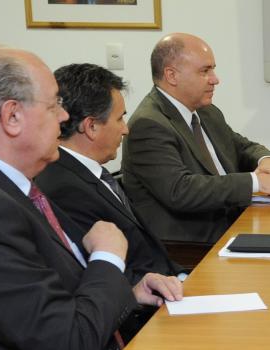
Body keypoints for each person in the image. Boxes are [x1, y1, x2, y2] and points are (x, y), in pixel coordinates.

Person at [0, 43, 182, 350]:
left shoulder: (6, 183)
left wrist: (130, 289)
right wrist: (110, 259)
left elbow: (54, 293)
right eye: (52, 105)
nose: (65, 117)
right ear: (11, 116)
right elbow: (67, 345)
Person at [121, 33, 270, 245]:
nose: (215, 79)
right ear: (171, 75)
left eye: (213, 69)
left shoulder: (206, 111)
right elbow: (181, 191)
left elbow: (240, 146)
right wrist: (256, 181)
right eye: (205, 71)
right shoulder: (148, 124)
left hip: (233, 220)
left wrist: (266, 160)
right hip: (191, 241)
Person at [36, 63, 184, 286]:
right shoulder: (65, 189)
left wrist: (183, 277)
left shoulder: (92, 173)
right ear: (91, 126)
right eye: (119, 119)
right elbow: (101, 272)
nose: (126, 129)